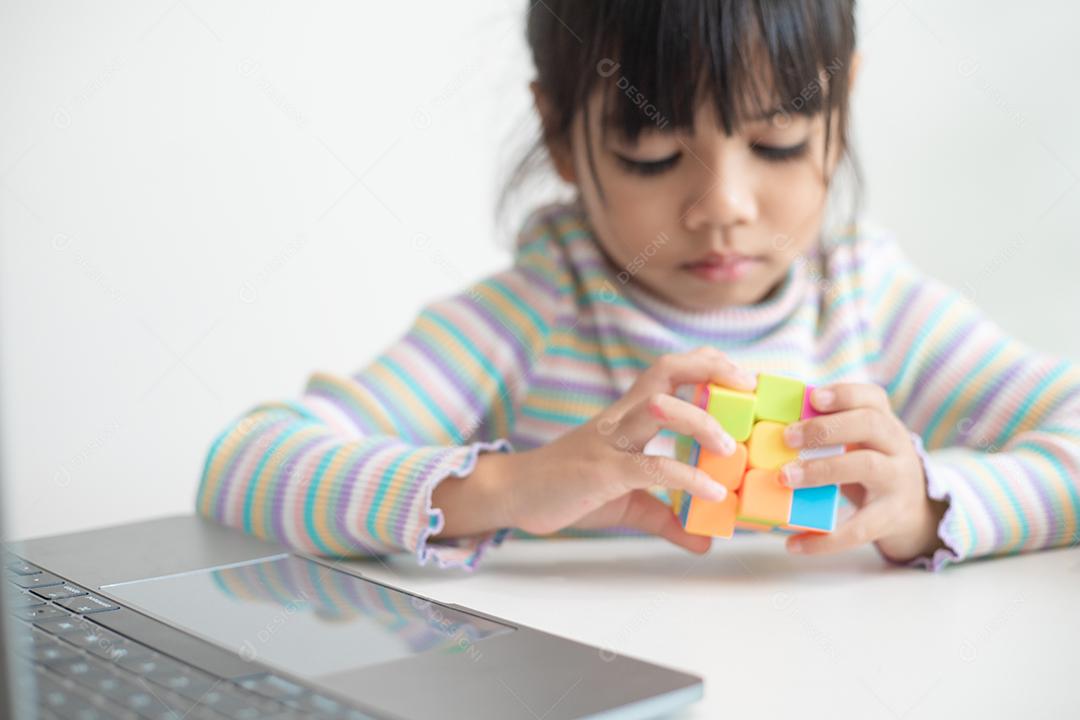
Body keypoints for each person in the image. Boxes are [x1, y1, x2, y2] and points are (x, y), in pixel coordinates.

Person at [196, 0, 1080, 572]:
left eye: (775, 144)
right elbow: (247, 465)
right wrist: (510, 490)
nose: (721, 206)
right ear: (557, 132)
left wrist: (929, 506)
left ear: (839, 114)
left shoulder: (866, 301)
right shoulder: (534, 315)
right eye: (652, 153)